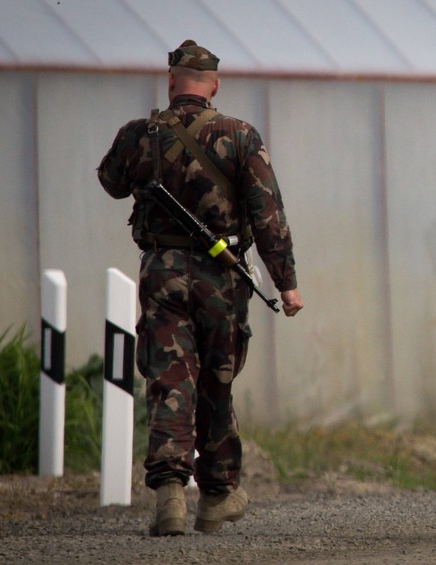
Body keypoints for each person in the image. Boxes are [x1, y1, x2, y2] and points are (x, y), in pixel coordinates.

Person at [98, 40, 303, 536]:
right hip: (222, 278)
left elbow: (110, 181)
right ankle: (215, 495)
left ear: (171, 81)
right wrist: (287, 285)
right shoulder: (240, 137)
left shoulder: (139, 134)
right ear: (213, 85)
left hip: (162, 270)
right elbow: (267, 214)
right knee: (217, 382)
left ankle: (170, 496)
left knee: (170, 379)